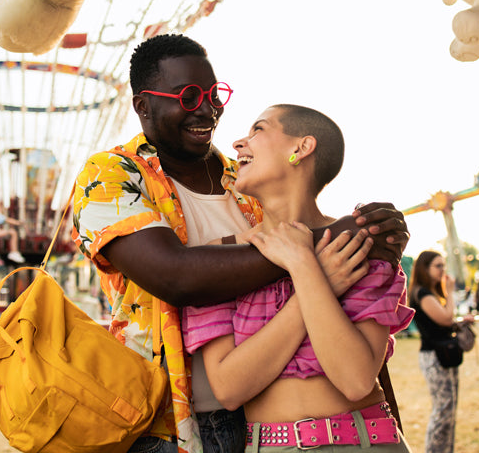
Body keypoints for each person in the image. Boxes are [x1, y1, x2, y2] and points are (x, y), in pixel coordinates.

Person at [72, 33, 410, 453]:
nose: (209, 109)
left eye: (214, 94)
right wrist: (331, 244)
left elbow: (354, 334)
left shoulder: (248, 182)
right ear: (143, 105)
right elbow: (177, 276)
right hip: (168, 423)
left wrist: (353, 244)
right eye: (189, 96)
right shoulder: (111, 175)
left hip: (258, 421)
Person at [181, 104, 415, 452]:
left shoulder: (362, 245)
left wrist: (303, 264)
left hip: (369, 441)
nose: (238, 144)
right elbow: (229, 389)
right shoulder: (217, 259)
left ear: (300, 148)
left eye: (258, 130)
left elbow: (354, 380)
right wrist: (320, 280)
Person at [408, 250, 474, 453]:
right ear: (424, 268)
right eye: (438, 265)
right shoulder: (422, 293)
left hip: (443, 354)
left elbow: (443, 322)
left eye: (443, 265)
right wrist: (450, 291)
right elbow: (445, 318)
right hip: (434, 356)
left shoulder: (428, 292)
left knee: (449, 410)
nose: (443, 270)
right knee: (443, 411)